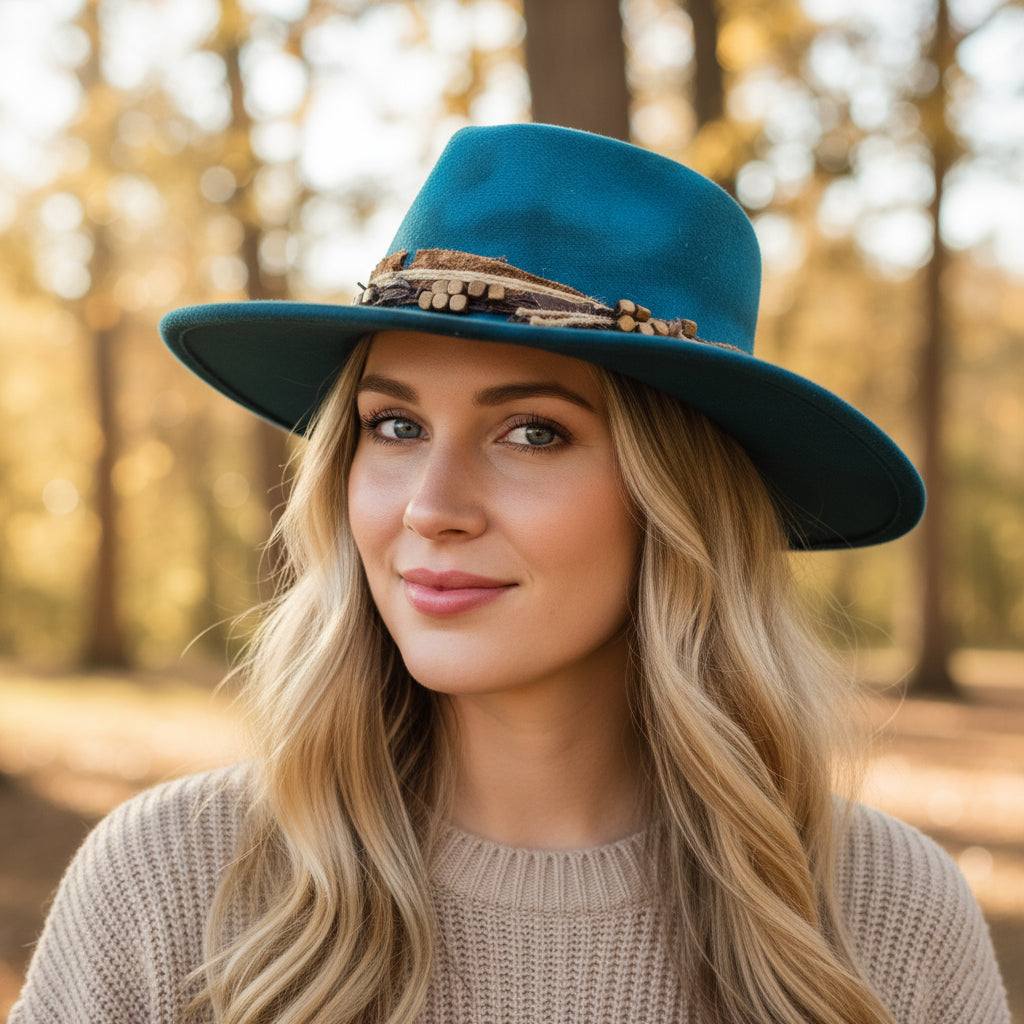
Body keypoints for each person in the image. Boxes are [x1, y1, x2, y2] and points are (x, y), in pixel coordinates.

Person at [11, 124, 1009, 1024]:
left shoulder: (885, 916)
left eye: (532, 432)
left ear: (680, 502)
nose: (431, 505)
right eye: (394, 425)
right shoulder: (168, 884)